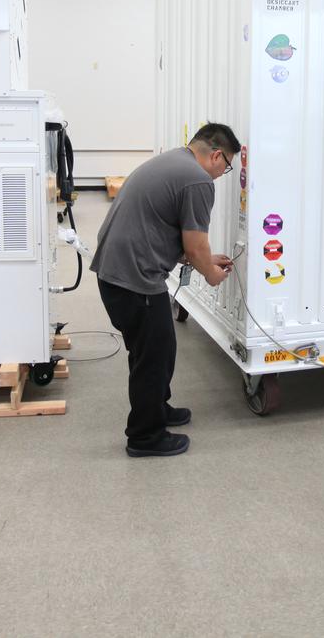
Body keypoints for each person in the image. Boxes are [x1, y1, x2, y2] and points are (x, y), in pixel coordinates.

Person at [91, 123, 240, 457]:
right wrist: (211, 273)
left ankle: (158, 407)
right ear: (216, 155)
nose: (223, 174)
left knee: (161, 346)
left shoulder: (175, 161)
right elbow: (195, 245)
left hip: (117, 272)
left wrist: (205, 260)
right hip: (134, 278)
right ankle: (145, 437)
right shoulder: (198, 180)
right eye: (227, 166)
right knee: (152, 357)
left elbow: (166, 229)